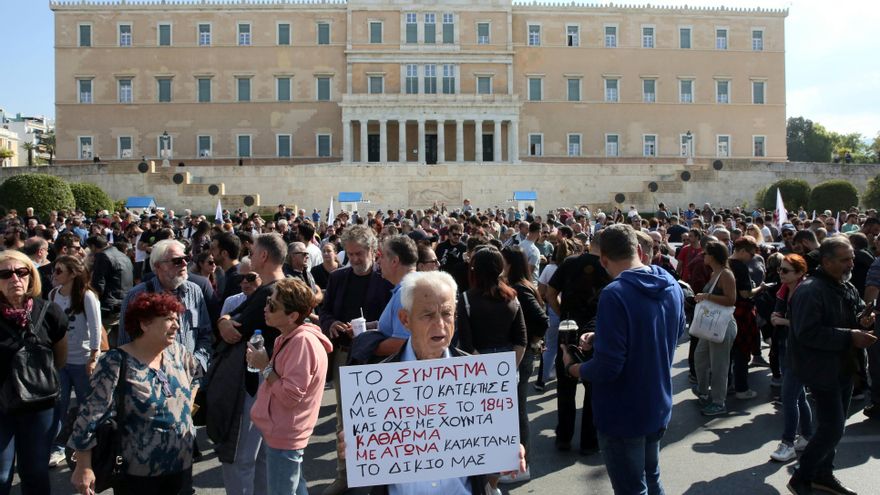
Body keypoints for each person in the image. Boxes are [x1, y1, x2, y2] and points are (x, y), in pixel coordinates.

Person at [338, 270, 526, 494]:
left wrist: (507, 452)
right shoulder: (375, 386)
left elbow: (491, 457)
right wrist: (356, 447)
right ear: (405, 320)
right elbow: (367, 463)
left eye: (447, 314)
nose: (440, 324)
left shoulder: (481, 379)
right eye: (427, 315)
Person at [560, 223, 684, 495]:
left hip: (623, 412)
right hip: (658, 402)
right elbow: (672, 333)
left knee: (632, 488)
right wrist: (600, 336)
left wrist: (573, 367)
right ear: (639, 249)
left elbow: (608, 367)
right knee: (652, 478)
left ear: (603, 260)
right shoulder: (670, 282)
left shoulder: (615, 293)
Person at [69, 292, 201, 494]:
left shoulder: (178, 352)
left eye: (177, 319)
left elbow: (196, 377)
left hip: (181, 465)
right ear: (144, 324)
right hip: (138, 473)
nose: (176, 325)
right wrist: (84, 467)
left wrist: (185, 405)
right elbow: (89, 417)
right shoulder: (115, 362)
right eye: (168, 319)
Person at [787, 237, 878, 495]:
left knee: (834, 427)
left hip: (844, 367)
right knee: (833, 428)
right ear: (826, 262)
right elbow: (807, 333)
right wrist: (850, 335)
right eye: (845, 259)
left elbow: (857, 311)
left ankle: (823, 475)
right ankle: (802, 476)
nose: (852, 263)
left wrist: (864, 318)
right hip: (821, 369)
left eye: (851, 257)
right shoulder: (810, 290)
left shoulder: (844, 285)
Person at [209, 233, 288, 495]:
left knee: (241, 458)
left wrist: (223, 322)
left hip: (254, 384)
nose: (250, 256)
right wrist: (224, 320)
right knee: (263, 456)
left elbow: (236, 330)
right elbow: (236, 320)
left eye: (253, 252)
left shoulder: (271, 292)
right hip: (270, 383)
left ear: (263, 256)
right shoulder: (282, 287)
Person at [320, 225, 392, 495]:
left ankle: (382, 476)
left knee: (382, 416)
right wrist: (333, 324)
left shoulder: (386, 278)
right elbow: (324, 311)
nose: (354, 259)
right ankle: (345, 474)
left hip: (378, 356)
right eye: (349, 254)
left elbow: (394, 320)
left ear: (373, 251)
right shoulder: (338, 278)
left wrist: (368, 328)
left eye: (359, 253)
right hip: (344, 356)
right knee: (345, 416)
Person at [245, 278, 331, 495]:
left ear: (293, 315)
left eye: (272, 306)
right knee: (295, 486)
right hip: (283, 431)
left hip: (285, 434)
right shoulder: (291, 337)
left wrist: (264, 366)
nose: (265, 309)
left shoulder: (302, 343)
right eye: (267, 301)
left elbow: (290, 396)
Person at [0, 250, 68, 495]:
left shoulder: (50, 312)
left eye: (21, 272)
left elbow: (60, 358)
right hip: (1, 407)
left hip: (39, 405)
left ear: (31, 276)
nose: (15, 279)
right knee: (1, 475)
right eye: (5, 274)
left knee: (36, 473)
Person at [546, 241, 610, 453]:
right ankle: (589, 442)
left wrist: (562, 312)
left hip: (568, 328)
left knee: (565, 387)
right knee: (593, 388)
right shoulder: (607, 266)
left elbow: (549, 292)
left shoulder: (570, 262)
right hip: (594, 331)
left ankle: (564, 437)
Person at [47, 255, 103, 467]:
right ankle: (58, 447)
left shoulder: (86, 295)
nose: (54, 275)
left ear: (72, 273)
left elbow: (96, 328)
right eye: (54, 270)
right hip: (60, 361)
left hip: (82, 360)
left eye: (59, 271)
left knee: (85, 405)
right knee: (58, 406)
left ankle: (87, 446)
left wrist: (93, 357)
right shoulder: (53, 294)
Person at [500, 246, 548, 483]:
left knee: (518, 410)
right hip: (524, 351)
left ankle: (522, 464)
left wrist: (533, 340)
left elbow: (541, 319)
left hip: (522, 353)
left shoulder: (519, 288)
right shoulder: (522, 285)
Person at [768, 254, 812, 463]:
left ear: (800, 273)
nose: (781, 273)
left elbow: (807, 325)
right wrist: (775, 317)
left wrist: (783, 321)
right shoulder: (784, 289)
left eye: (785, 270)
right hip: (786, 346)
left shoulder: (807, 291)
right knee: (798, 395)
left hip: (801, 351)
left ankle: (788, 443)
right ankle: (806, 436)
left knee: (789, 397)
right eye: (780, 269)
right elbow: (777, 312)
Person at [692, 241, 738, 416]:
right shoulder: (716, 273)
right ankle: (703, 391)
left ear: (714, 256)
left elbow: (731, 300)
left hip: (722, 326)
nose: (703, 256)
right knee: (700, 357)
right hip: (712, 325)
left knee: (719, 365)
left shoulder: (726, 274)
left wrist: (706, 296)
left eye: (705, 254)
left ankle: (719, 402)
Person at [375, 235, 419, 356]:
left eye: (382, 256)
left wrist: (366, 345)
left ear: (394, 261)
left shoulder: (405, 292)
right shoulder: (413, 285)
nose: (378, 261)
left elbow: (403, 342)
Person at [85, 234, 133, 344]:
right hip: (124, 303)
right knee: (120, 341)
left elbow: (98, 283)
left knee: (99, 340)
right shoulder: (122, 254)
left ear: (93, 247)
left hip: (109, 305)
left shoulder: (102, 256)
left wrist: (92, 300)